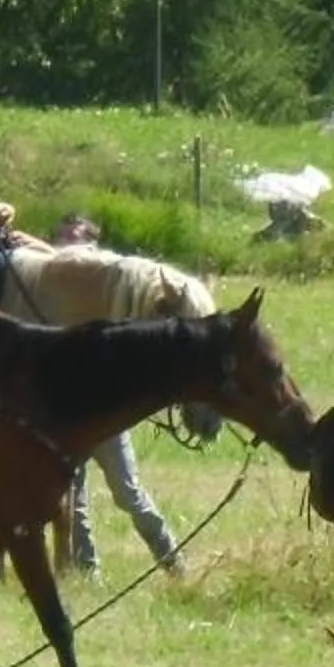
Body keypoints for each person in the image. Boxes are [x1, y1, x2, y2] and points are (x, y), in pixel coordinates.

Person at [46, 211, 189, 582]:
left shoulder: (111, 295)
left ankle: (172, 560)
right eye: (63, 238)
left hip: (106, 415)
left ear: (94, 246)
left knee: (128, 493)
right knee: (74, 499)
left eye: (76, 238)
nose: (68, 245)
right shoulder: (54, 293)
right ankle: (87, 574)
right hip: (68, 413)